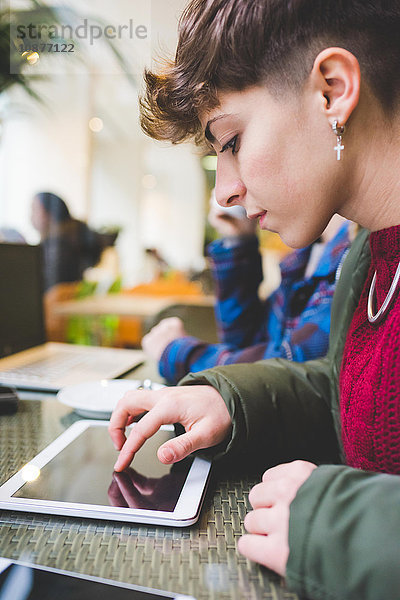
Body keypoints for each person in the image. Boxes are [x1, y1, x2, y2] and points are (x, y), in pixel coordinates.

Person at [108, 1, 400, 598]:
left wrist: (342, 527)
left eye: (232, 140)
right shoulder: (367, 261)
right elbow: (346, 394)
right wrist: (230, 402)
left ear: (332, 90)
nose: (226, 193)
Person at [142, 198, 351, 383]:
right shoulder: (307, 256)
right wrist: (237, 240)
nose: (223, 192)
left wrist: (181, 354)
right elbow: (248, 346)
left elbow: (285, 370)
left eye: (234, 152)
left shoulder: (355, 257)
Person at [31, 192, 117, 291]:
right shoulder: (73, 235)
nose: (31, 216)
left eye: (34, 210)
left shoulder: (58, 245)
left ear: (48, 213)